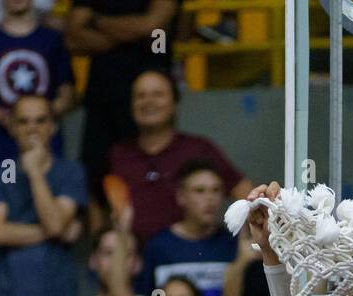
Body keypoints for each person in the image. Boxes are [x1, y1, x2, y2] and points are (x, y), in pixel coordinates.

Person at [105, 69, 251, 244]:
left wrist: (245, 245)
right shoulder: (119, 154)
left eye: (157, 94)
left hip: (188, 260)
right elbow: (101, 211)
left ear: (174, 102)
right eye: (140, 96)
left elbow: (247, 195)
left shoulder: (198, 149)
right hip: (134, 262)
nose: (148, 101)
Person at [0, 94, 87, 296]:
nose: (32, 128)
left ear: (53, 126)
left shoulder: (69, 171)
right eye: (23, 121)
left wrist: (35, 173)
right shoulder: (3, 171)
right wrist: (53, 232)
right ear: (11, 127)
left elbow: (54, 224)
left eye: (40, 121)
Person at [63, 0, 177, 211]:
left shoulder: (98, 15)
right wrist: (133, 35)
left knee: (152, 174)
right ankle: (101, 241)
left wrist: (96, 21)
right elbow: (72, 38)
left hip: (150, 96)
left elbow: (151, 27)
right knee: (94, 177)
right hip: (102, 97)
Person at [135, 158, 237, 296]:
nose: (210, 199)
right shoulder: (158, 247)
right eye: (200, 191)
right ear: (181, 197)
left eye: (216, 190)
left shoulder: (233, 245)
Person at [0, 0, 74, 168]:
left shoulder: (53, 40)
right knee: (5, 187)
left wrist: (38, 120)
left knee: (46, 190)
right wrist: (6, 119)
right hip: (2, 147)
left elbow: (67, 94)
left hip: (47, 145)